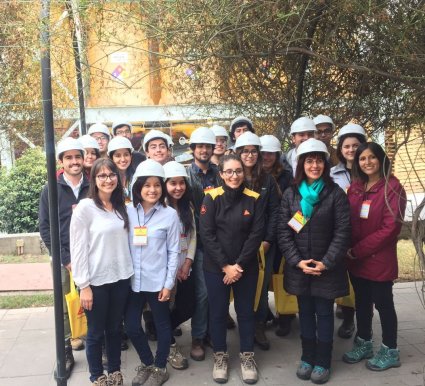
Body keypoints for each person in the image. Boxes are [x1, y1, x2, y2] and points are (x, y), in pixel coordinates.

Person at [277, 138, 351, 384]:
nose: (315, 165)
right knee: (305, 313)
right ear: (301, 164)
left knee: (325, 313)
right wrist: (297, 261)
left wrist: (326, 262)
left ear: (325, 164)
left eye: (319, 160)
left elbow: (343, 232)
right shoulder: (291, 194)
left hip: (326, 269)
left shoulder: (335, 194)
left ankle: (323, 360)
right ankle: (307, 357)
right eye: (310, 160)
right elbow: (284, 232)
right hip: (300, 268)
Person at [200, 154, 265, 384]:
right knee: (217, 312)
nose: (234, 176)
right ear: (221, 174)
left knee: (246, 312)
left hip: (245, 267)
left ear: (244, 173)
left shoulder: (254, 198)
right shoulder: (211, 198)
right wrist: (225, 266)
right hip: (216, 267)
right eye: (229, 171)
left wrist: (238, 266)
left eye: (238, 171)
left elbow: (256, 235)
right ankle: (220, 355)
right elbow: (206, 235)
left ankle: (247, 356)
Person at [343, 142, 406, 371]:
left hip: (378, 259)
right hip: (355, 259)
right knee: (361, 303)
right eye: (362, 158)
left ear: (381, 159)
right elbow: (348, 219)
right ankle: (364, 342)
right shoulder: (356, 186)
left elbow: (390, 229)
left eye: (372, 157)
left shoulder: (392, 187)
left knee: (383, 304)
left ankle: (390, 349)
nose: (367, 162)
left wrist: (357, 250)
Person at [70, 158, 133, 386]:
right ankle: (97, 376)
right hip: (95, 281)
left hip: (121, 278)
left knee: (115, 329)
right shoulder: (85, 209)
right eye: (102, 176)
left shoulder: (121, 207)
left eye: (112, 175)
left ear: (118, 178)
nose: (108, 180)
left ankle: (114, 371)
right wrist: (83, 285)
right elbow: (78, 249)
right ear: (93, 180)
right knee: (96, 333)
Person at [125, 159, 180, 386]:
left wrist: (168, 284)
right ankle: (147, 362)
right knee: (131, 325)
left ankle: (160, 367)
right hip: (131, 281)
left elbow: (174, 251)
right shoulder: (126, 211)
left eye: (157, 184)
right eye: (147, 185)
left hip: (157, 281)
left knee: (162, 325)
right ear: (138, 187)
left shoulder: (170, 215)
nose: (152, 190)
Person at [38, 137, 90, 379]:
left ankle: (94, 344)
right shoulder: (51, 188)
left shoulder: (93, 185)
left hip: (91, 256)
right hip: (63, 259)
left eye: (77, 156)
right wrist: (66, 259)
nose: (74, 161)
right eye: (69, 158)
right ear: (61, 162)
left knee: (92, 300)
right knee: (64, 304)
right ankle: (67, 349)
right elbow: (46, 228)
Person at [234, 132, 280, 351]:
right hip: (237, 244)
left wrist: (269, 240)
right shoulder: (232, 176)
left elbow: (274, 211)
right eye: (245, 151)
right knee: (241, 286)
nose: (249, 155)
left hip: (263, 245)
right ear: (238, 153)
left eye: (253, 151)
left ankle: (259, 325)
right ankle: (245, 326)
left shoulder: (267, 180)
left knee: (260, 288)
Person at [186, 126, 222, 361]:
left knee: (216, 293)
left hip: (220, 242)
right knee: (202, 293)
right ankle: (198, 336)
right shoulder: (185, 176)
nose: (204, 150)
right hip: (198, 243)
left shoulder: (220, 174)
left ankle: (212, 332)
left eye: (207, 146)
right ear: (193, 149)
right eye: (200, 146)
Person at [330, 123, 367, 339]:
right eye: (347, 146)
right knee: (343, 276)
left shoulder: (372, 172)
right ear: (340, 149)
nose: (351, 150)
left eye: (356, 145)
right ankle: (347, 316)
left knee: (361, 281)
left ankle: (358, 322)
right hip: (340, 233)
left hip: (364, 233)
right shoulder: (333, 173)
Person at [259, 134, 295, 336]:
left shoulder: (287, 176)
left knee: (284, 276)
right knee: (263, 280)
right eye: (262, 152)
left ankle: (286, 316)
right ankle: (264, 317)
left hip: (285, 232)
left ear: (277, 155)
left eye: (270, 153)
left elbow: (294, 205)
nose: (266, 156)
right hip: (264, 235)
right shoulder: (252, 176)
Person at [163, 161, 197, 370]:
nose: (178, 187)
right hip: (166, 269)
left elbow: (193, 236)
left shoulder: (188, 207)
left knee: (188, 306)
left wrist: (187, 262)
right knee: (164, 307)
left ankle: (161, 330)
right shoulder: (159, 209)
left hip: (186, 265)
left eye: (181, 183)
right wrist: (173, 268)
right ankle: (169, 345)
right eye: (172, 183)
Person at [108, 136, 135, 203]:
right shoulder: (107, 180)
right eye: (118, 156)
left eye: (126, 155)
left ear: (131, 156)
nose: (123, 159)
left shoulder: (136, 177)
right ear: (111, 158)